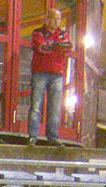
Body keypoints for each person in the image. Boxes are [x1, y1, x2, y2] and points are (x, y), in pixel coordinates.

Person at [28, 7, 72, 146]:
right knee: (36, 106)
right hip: (40, 73)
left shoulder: (62, 34)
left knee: (55, 108)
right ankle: (33, 136)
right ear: (47, 19)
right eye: (54, 18)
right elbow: (41, 48)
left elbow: (68, 46)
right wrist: (57, 46)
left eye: (59, 19)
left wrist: (53, 46)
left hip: (57, 74)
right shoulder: (38, 32)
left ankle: (52, 137)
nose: (57, 21)